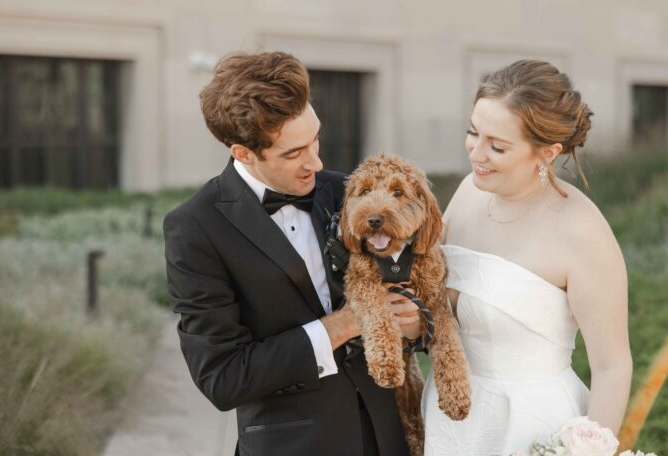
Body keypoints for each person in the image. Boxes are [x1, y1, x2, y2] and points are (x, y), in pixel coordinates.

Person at [163, 51, 421, 456]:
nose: (316, 162)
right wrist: (343, 325)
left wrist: (413, 323)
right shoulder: (195, 228)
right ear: (243, 153)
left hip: (389, 434)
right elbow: (223, 378)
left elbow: (410, 287)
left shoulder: (346, 192)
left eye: (315, 139)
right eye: (293, 153)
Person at [421, 60, 632, 455]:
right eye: (472, 132)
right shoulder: (468, 191)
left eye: (497, 146)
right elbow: (433, 294)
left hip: (532, 426)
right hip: (451, 417)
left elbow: (612, 367)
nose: (476, 153)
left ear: (547, 152)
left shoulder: (581, 231)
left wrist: (585, 451)